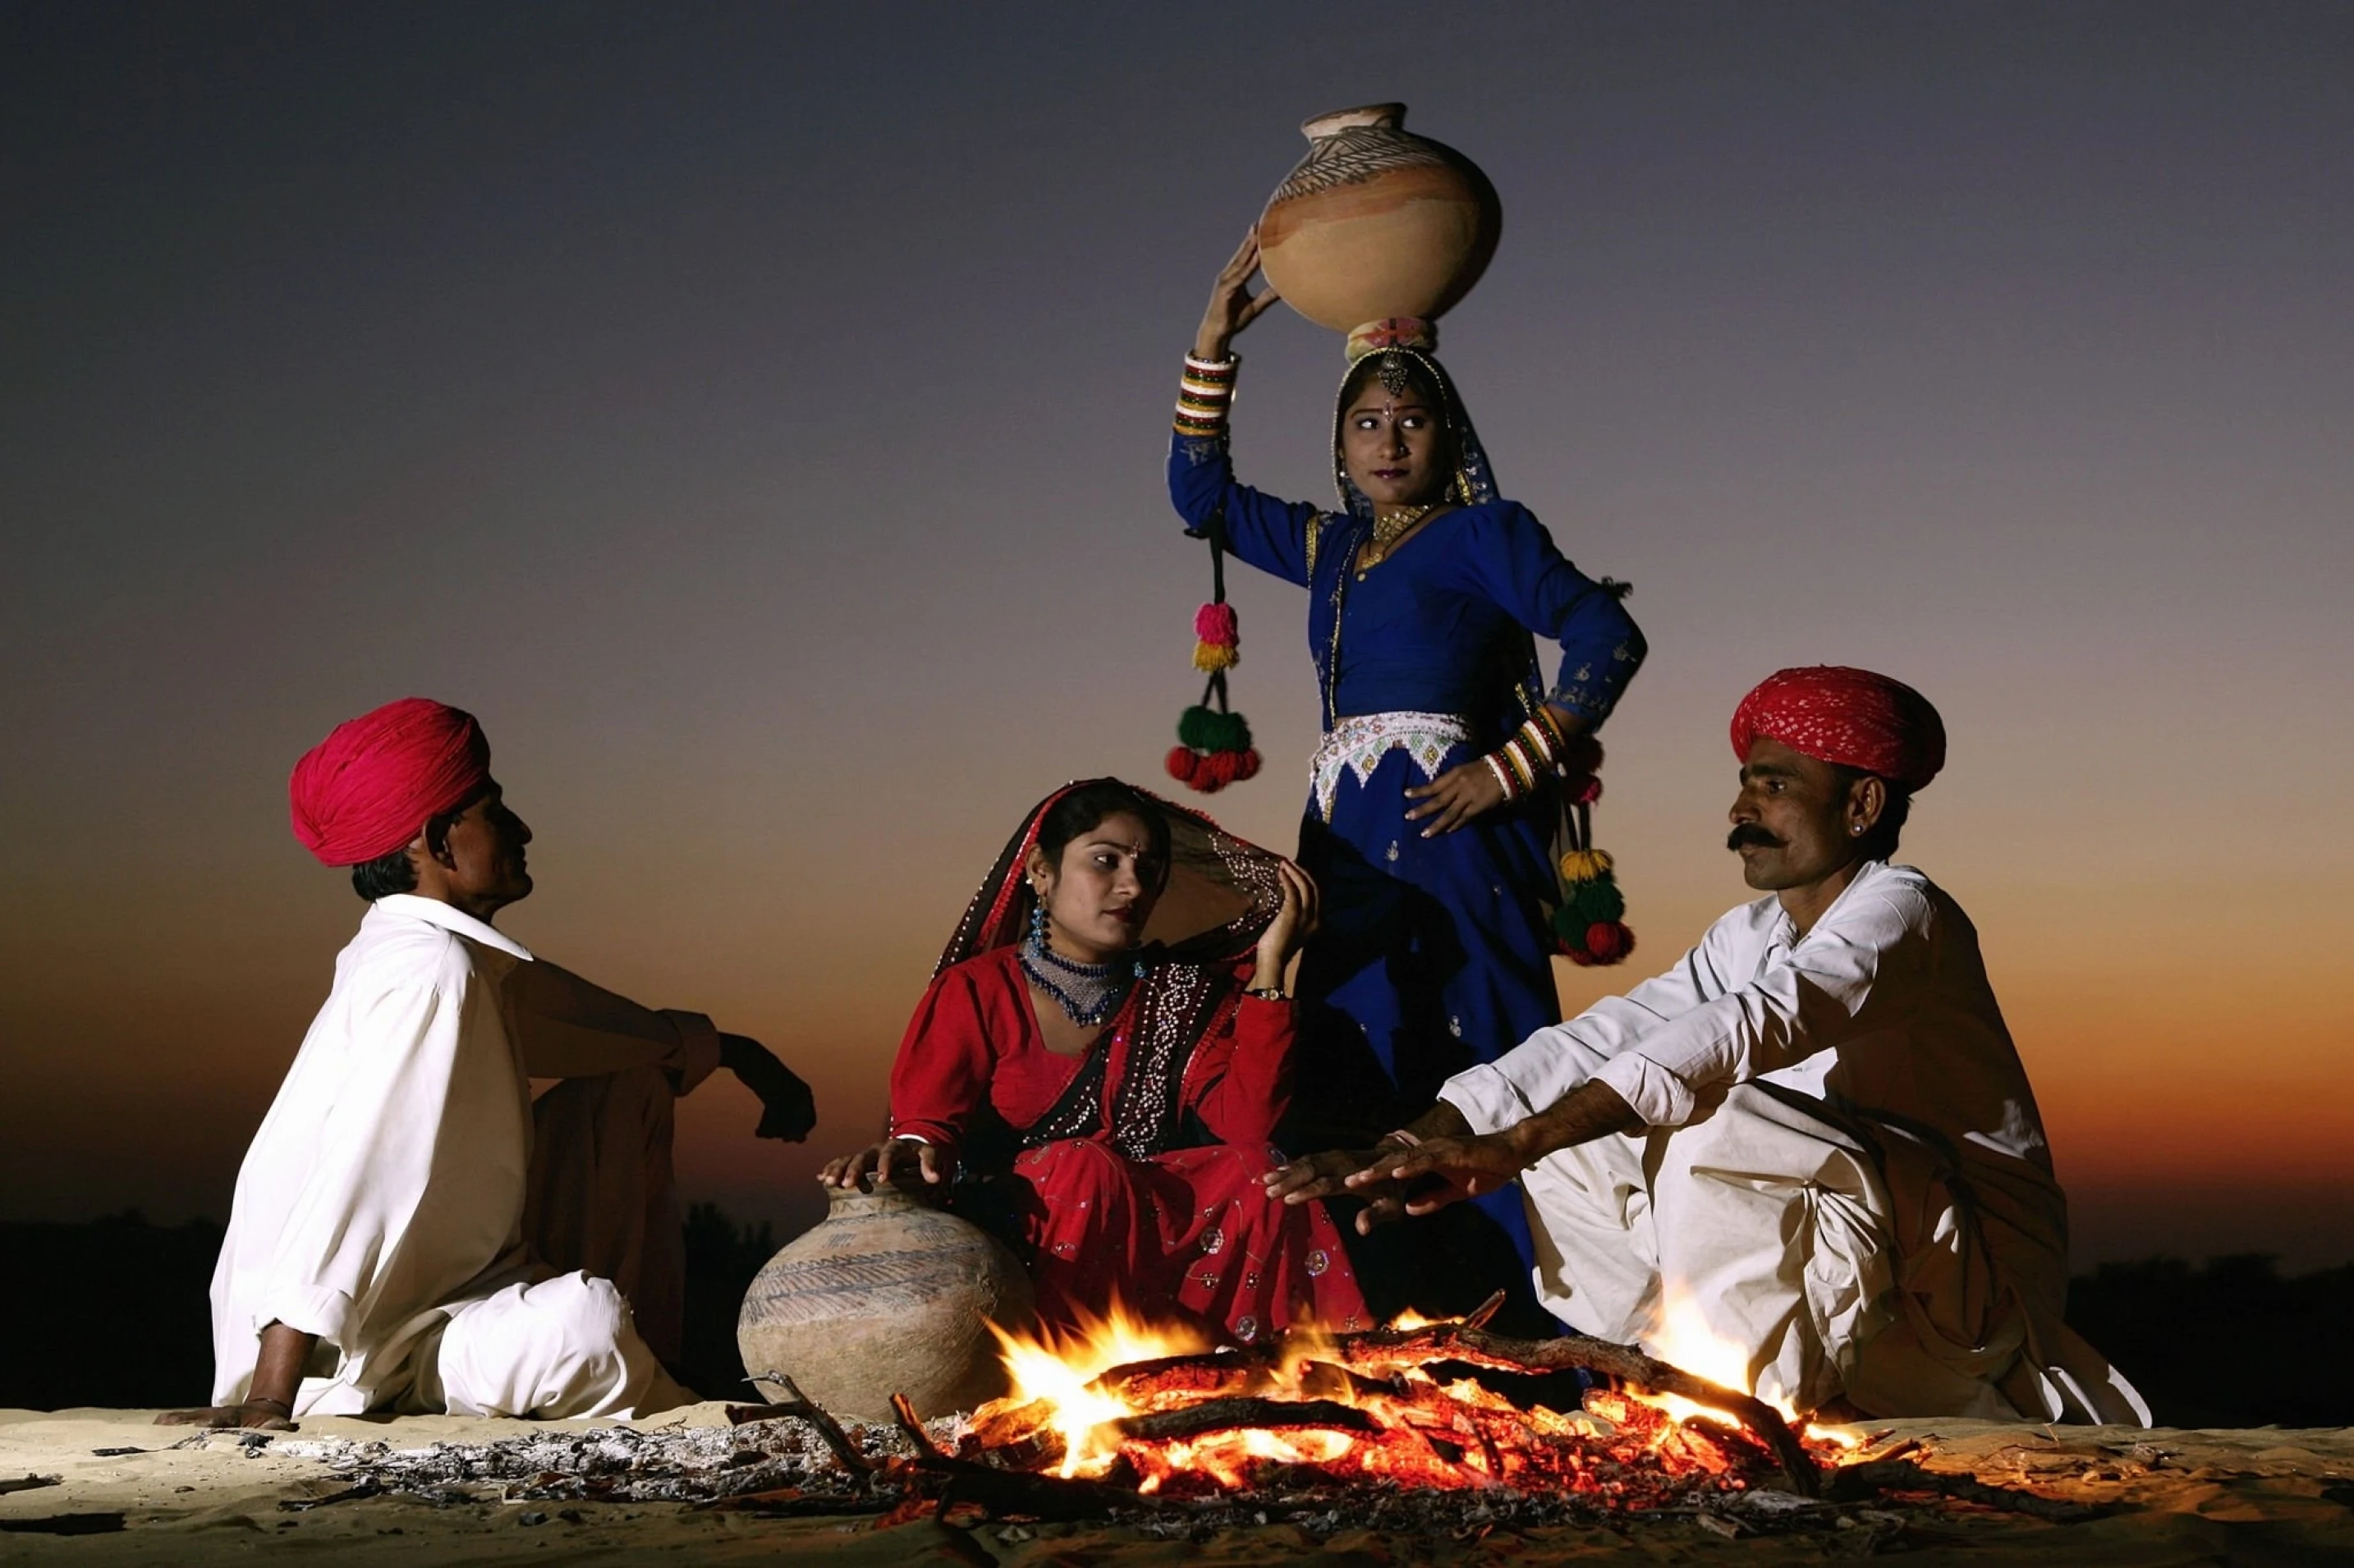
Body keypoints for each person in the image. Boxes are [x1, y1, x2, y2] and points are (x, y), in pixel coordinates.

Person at [1270, 667, 2148, 1424]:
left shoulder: (1902, 911)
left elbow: (1744, 1027)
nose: (1738, 809)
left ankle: (1731, 1413)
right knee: (1575, 1133)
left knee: (1709, 1117)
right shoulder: (1747, 931)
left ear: (1862, 802)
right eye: (1741, 783)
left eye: (1770, 784)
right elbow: (1603, 1036)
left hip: (1962, 1301)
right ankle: (1668, 1382)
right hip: (1853, 1277)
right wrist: (1415, 1141)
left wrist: (1518, 1140)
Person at [1168, 230, 1647, 1306]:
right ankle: (1387, 1323)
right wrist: (1210, 345)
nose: (1389, 441)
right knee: (1349, 1063)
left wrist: (1513, 767)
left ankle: (1531, 1336)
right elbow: (1196, 498)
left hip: (1452, 841)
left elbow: (1604, 636)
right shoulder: (1328, 550)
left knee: (1482, 1057)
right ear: (1339, 442)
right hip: (1343, 850)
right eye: (1367, 421)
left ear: (1447, 433)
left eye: (1412, 419)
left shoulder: (1484, 534)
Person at [160, 698, 814, 1429]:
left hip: (457, 1295)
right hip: (361, 1349)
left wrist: (740, 1055)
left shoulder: (447, 957)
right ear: (439, 841)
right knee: (584, 1327)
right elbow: (355, 1175)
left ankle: (653, 1367)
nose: (524, 831)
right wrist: (269, 1397)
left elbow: (592, 1025)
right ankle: (660, 1391)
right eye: (496, 813)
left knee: (631, 1082)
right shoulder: (428, 971)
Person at [824, 780, 1370, 1345]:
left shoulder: (1176, 995)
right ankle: (1073, 1385)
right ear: (1041, 870)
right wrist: (906, 1154)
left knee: (1263, 1171)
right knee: (1082, 1166)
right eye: (1105, 862)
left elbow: (1249, 1126)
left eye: (1148, 870)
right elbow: (926, 1129)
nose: (1131, 886)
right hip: (1017, 1238)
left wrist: (1270, 971)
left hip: (1147, 1229)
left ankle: (1278, 1375)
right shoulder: (977, 990)